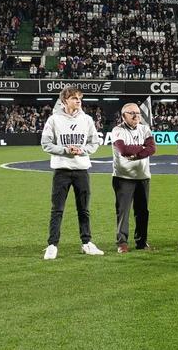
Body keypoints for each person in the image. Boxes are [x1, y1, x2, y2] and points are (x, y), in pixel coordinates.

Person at [40, 87, 102, 259]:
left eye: (79, 98)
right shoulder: (54, 119)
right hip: (61, 170)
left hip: (82, 169)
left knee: (84, 210)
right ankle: (52, 245)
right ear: (65, 100)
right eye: (74, 98)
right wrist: (65, 150)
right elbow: (46, 144)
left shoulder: (87, 119)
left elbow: (94, 143)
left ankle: (86, 243)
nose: (78, 101)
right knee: (57, 210)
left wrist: (82, 151)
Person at [109, 102, 156, 253]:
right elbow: (123, 150)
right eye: (132, 113)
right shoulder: (118, 130)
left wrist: (137, 154)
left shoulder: (145, 129)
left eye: (138, 113)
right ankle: (122, 242)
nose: (136, 116)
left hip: (143, 176)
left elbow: (152, 149)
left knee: (142, 211)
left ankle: (141, 242)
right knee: (123, 211)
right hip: (123, 177)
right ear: (123, 116)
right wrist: (142, 148)